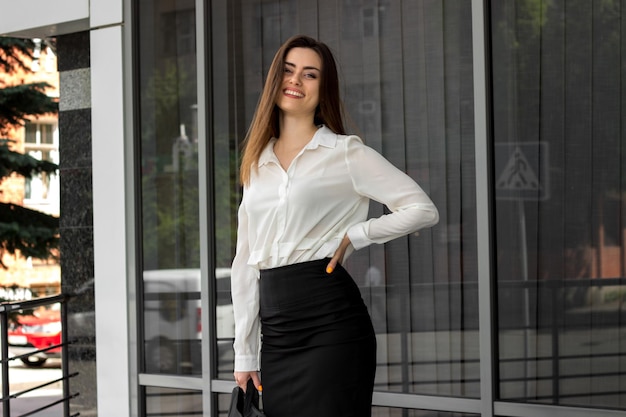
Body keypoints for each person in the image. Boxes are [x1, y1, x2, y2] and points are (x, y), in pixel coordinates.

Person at [231, 34, 439, 417]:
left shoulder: (346, 154)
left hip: (332, 325)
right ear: (275, 80)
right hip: (276, 335)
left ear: (322, 89)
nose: (295, 81)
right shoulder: (256, 164)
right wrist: (244, 351)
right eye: (288, 71)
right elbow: (245, 262)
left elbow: (422, 209)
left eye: (310, 74)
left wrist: (357, 235)